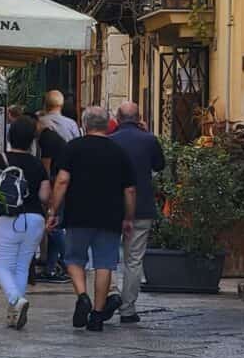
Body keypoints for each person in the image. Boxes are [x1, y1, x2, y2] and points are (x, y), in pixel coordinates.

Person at [47, 106, 136, 332]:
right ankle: (97, 314)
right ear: (107, 124)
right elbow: (130, 190)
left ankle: (82, 295)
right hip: (110, 214)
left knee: (74, 259)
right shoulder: (119, 151)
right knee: (105, 264)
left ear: (84, 124)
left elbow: (62, 181)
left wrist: (53, 210)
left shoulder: (73, 148)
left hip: (79, 213)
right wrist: (128, 217)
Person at [0, 116, 49, 330]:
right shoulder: (38, 164)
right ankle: (14, 312)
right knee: (22, 265)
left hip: (6, 218)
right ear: (31, 140)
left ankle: (15, 300)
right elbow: (45, 196)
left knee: (0, 265)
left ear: (10, 136)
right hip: (34, 219)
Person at [109, 102, 166, 324]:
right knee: (134, 260)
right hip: (141, 207)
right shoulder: (149, 139)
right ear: (139, 117)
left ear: (118, 117)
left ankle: (108, 297)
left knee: (107, 257)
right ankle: (127, 309)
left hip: (112, 208)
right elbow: (159, 165)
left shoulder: (110, 141)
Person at [35, 120, 68, 281]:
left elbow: (46, 167)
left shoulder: (46, 139)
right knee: (54, 226)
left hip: (57, 182)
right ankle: (51, 268)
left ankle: (69, 261)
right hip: (59, 180)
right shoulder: (52, 136)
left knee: (54, 226)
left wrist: (47, 191)